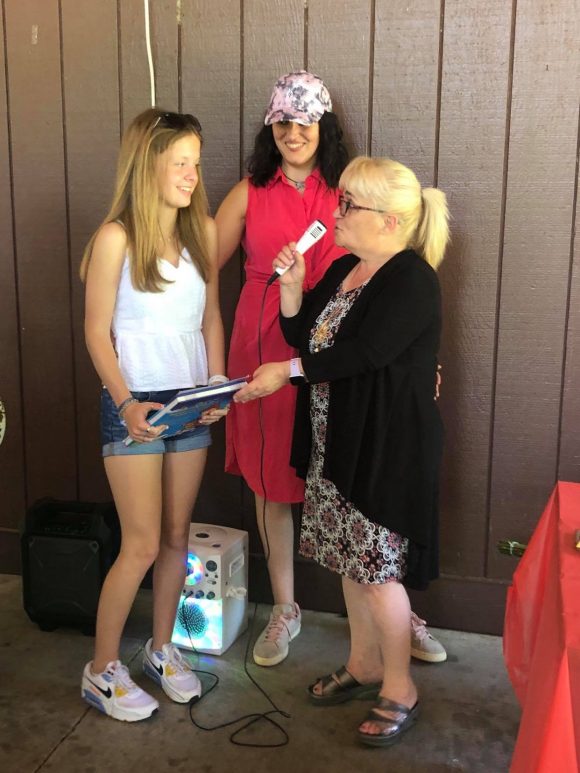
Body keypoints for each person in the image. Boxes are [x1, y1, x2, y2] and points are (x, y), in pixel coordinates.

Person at [216, 70, 446, 667]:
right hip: (276, 339)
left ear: (324, 127)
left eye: (305, 122)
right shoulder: (250, 192)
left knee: (360, 482)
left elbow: (392, 310)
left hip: (340, 354)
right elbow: (202, 268)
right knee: (275, 477)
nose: (293, 133)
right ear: (270, 127)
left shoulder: (349, 192)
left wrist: (417, 361)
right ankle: (289, 608)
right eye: (283, 122)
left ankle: (391, 608)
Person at [234, 156, 450, 747]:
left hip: (383, 447)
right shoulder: (344, 268)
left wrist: (286, 373)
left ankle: (400, 687)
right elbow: (304, 338)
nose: (337, 212)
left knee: (377, 572)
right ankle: (364, 664)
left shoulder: (411, 279)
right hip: (335, 443)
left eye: (350, 204)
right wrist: (293, 287)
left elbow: (366, 354)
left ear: (389, 221)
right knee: (349, 562)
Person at [79, 108, 227, 722]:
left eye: (196, 162)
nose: (192, 174)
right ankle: (101, 671)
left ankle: (161, 650)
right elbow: (95, 332)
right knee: (139, 545)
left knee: (175, 537)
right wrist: (125, 402)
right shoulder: (115, 237)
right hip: (134, 405)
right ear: (148, 166)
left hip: (191, 404)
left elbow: (210, 318)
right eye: (180, 163)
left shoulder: (204, 233)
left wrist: (216, 385)